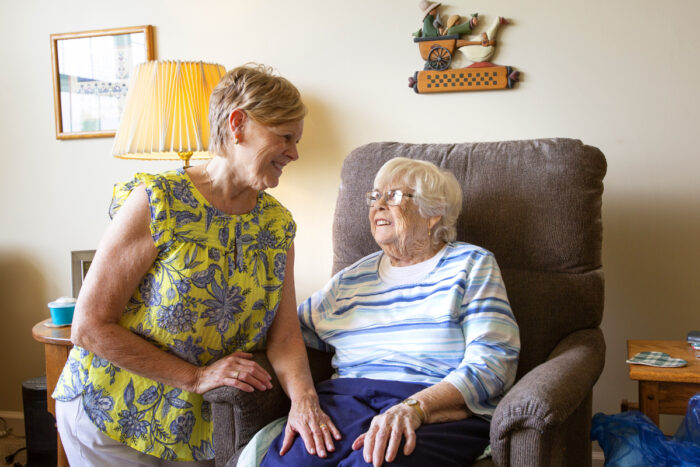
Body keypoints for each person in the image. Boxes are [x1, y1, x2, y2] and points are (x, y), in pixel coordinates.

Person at [52, 63, 340, 465]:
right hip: (113, 409)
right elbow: (89, 327)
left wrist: (305, 401)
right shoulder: (158, 201)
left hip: (193, 427)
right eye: (286, 137)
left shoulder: (276, 225)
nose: (294, 153)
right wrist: (197, 377)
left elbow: (285, 336)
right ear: (238, 124)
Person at [254, 157, 520, 466]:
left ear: (433, 213)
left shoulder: (471, 265)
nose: (378, 205)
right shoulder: (350, 280)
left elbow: (494, 361)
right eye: (374, 196)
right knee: (292, 463)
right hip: (345, 401)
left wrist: (416, 407)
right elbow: (287, 333)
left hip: (434, 406)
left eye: (393, 196)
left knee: (376, 462)